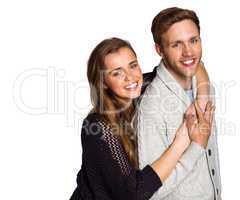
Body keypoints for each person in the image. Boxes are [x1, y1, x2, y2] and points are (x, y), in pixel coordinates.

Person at [70, 37, 213, 200]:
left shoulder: (141, 90)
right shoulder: (97, 127)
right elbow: (134, 194)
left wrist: (202, 98)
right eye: (117, 73)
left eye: (133, 65)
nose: (130, 77)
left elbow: (191, 66)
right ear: (103, 83)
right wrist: (182, 142)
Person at [135, 7, 222, 200]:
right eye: (176, 45)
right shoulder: (153, 105)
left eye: (193, 40)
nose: (188, 52)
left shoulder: (204, 88)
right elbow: (151, 192)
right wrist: (196, 146)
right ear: (160, 50)